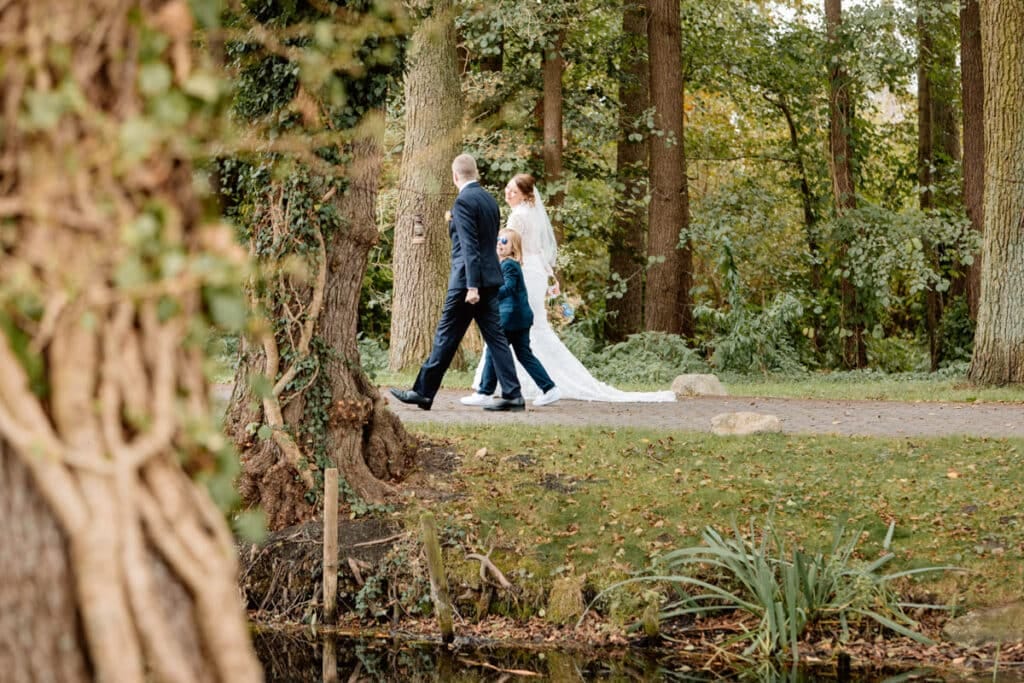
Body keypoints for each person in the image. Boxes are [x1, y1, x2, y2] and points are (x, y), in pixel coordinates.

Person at [470, 173, 676, 403]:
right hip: (537, 271)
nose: (508, 193)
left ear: (526, 195)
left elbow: (512, 249)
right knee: (535, 328)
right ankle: (538, 384)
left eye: (514, 191)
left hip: (525, 273)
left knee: (509, 325)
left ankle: (506, 385)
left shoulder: (517, 217)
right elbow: (538, 249)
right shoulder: (533, 214)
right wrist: (550, 276)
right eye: (507, 188)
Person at [390, 154, 525, 412]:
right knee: (496, 338)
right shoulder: (489, 200)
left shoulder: (463, 201)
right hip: (489, 279)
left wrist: (472, 286)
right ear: (475, 173)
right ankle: (513, 395)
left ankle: (422, 393)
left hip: (467, 282)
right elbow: (486, 243)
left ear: (455, 176)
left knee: (446, 336)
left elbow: (470, 247)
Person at [461, 229, 561, 407]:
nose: (499, 243)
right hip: (520, 317)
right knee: (523, 354)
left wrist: (486, 294)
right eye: (498, 239)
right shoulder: (506, 264)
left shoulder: (509, 265)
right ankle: (549, 388)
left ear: (513, 247)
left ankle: (485, 392)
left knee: (494, 350)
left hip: (511, 317)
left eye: (505, 241)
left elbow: (508, 288)